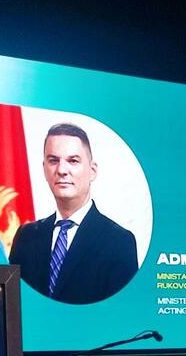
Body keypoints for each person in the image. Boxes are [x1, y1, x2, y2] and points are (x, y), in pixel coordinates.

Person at [9, 123, 138, 304]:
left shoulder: (119, 241)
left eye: (73, 161)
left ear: (92, 171)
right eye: (53, 160)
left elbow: (121, 311)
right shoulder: (26, 236)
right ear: (44, 169)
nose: (62, 170)